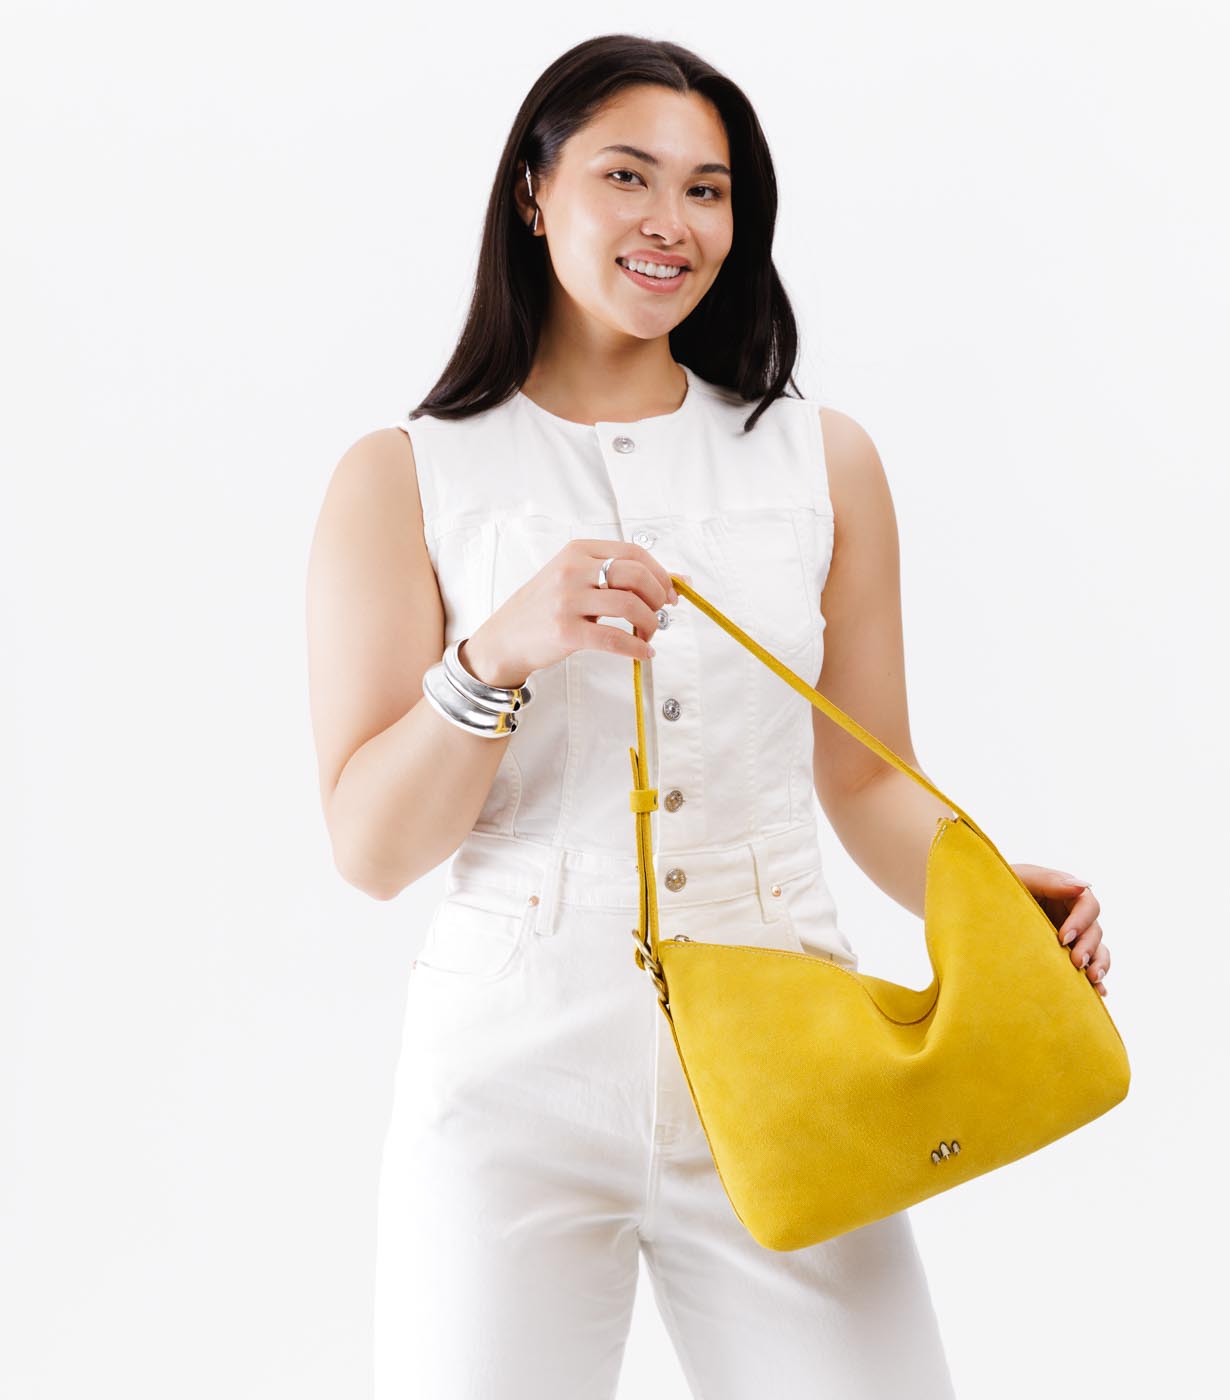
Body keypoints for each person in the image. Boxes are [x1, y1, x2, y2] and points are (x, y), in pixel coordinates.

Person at [306, 33, 1111, 1400]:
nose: (671, 222)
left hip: (792, 1046)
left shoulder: (819, 458)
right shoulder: (406, 476)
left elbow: (867, 776)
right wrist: (498, 650)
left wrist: (981, 892)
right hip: (510, 1074)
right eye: (628, 176)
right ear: (533, 192)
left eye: (708, 189)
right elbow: (373, 849)